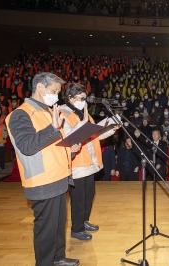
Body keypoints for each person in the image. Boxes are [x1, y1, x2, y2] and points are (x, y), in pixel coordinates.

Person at [5, 73, 81, 266]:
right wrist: (53, 129)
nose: (56, 95)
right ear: (40, 87)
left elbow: (52, 146)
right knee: (46, 230)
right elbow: (27, 146)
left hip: (59, 177)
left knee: (57, 225)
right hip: (42, 181)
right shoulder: (21, 114)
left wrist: (70, 150)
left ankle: (59, 258)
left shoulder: (47, 111)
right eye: (54, 90)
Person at [60, 83, 119, 241]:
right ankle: (76, 228)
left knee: (89, 195)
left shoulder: (83, 113)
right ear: (70, 98)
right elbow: (68, 138)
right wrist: (83, 123)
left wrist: (111, 128)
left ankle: (83, 221)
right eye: (81, 98)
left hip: (89, 163)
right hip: (77, 163)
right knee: (78, 198)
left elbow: (95, 136)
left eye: (85, 98)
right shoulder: (63, 113)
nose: (84, 101)